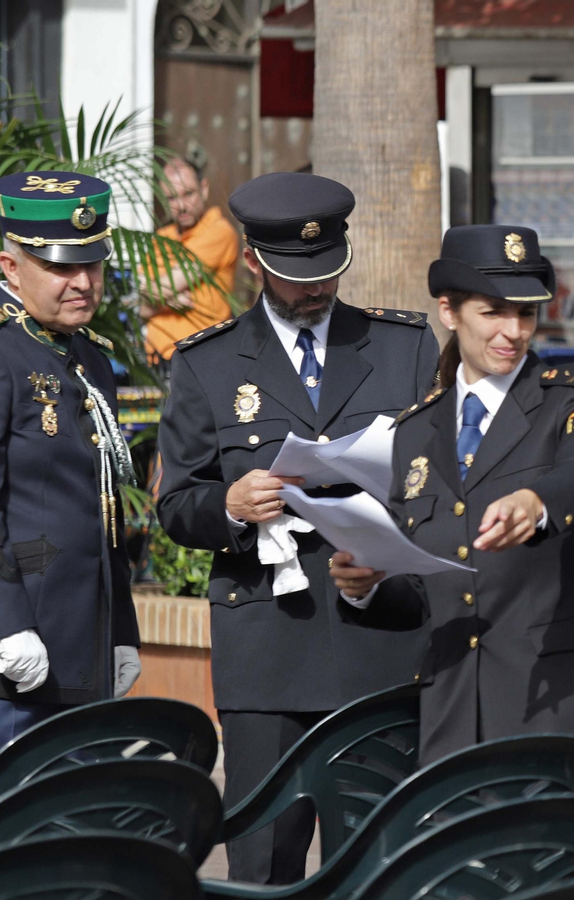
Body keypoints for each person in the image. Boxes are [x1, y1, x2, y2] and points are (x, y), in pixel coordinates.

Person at [156, 172, 438, 885]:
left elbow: (439, 483)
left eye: (327, 271)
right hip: (267, 647)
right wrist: (231, 505)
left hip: (379, 637)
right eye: (296, 275)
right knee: (264, 865)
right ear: (253, 260)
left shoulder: (401, 346)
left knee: (378, 863)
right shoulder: (207, 362)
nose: (316, 288)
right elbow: (177, 504)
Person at [329, 225, 574, 764]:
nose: (513, 331)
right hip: (456, 720)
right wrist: (366, 586)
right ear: (449, 312)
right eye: (493, 312)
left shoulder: (573, 394)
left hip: (563, 709)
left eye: (525, 314)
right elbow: (425, 589)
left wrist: (538, 503)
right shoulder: (414, 431)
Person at [0, 171, 141, 777]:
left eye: (92, 264)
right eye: (62, 267)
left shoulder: (87, 356)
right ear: (11, 268)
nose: (83, 282)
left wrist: (121, 627)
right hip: (1, 662)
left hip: (80, 650)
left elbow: (101, 508)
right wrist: (4, 624)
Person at [140, 157, 238, 366]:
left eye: (189, 194)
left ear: (204, 189)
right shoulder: (160, 239)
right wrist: (167, 299)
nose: (182, 206)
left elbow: (159, 289)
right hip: (155, 359)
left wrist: (154, 299)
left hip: (202, 356)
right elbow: (138, 304)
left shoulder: (218, 231)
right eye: (172, 198)